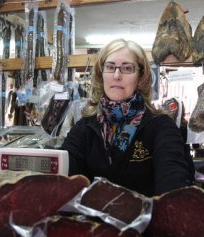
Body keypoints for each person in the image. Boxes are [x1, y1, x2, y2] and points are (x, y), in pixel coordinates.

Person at [60, 39, 194, 197]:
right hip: (93, 221)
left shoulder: (161, 127)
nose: (117, 75)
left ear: (141, 77)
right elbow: (62, 176)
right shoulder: (85, 127)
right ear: (101, 74)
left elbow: (173, 184)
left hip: (147, 220)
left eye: (127, 68)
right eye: (110, 67)